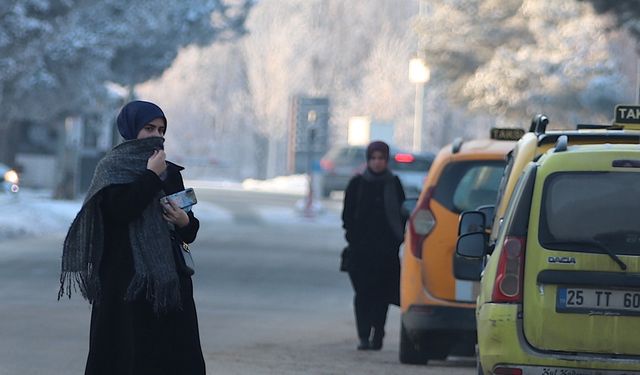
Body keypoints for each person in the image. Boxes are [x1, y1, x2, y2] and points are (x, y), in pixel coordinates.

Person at [59, 100, 206, 375]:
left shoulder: (171, 173)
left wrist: (184, 221)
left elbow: (190, 230)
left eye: (161, 129)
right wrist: (151, 176)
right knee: (124, 358)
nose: (156, 136)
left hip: (166, 287)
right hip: (123, 287)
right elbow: (121, 211)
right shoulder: (111, 169)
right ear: (130, 130)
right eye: (148, 128)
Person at [341, 141, 406, 351]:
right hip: (361, 252)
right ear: (368, 160)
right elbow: (348, 216)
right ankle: (363, 335)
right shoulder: (357, 184)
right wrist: (354, 238)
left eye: (381, 159)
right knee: (363, 295)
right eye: (374, 158)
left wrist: (397, 239)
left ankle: (378, 334)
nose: (377, 163)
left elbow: (402, 214)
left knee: (382, 296)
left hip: (386, 252)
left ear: (386, 161)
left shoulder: (393, 184)